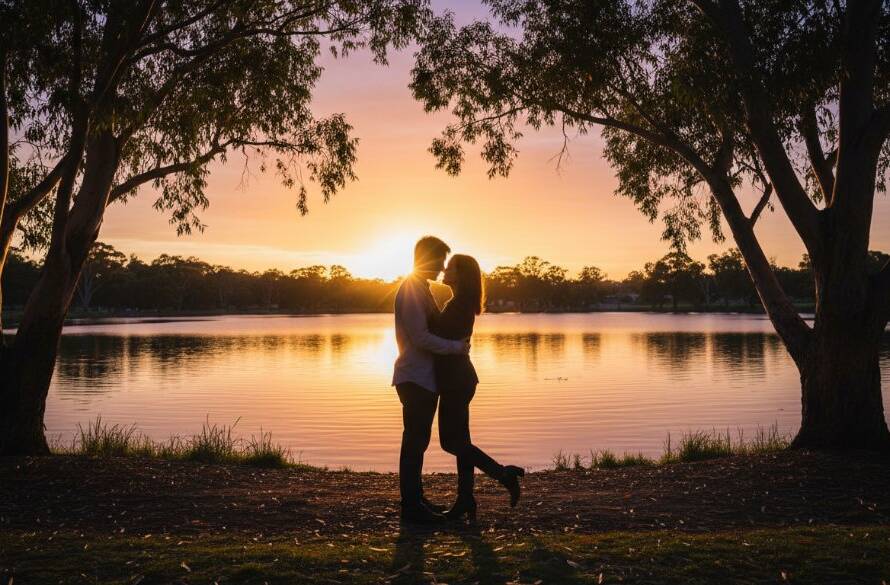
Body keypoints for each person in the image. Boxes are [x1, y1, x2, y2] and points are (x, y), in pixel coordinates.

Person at [434, 254, 525, 521]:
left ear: (460, 275)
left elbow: (439, 339)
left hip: (456, 381)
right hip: (459, 379)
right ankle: (465, 499)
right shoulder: (458, 303)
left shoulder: (459, 305)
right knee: (461, 443)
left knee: (450, 442)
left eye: (449, 267)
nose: (444, 270)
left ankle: (503, 475)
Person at [392, 236, 470, 523]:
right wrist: (456, 348)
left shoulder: (422, 290)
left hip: (425, 379)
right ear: (425, 258)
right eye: (438, 261)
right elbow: (420, 337)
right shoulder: (412, 289)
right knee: (414, 441)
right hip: (414, 377)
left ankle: (416, 500)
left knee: (418, 441)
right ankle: (411, 507)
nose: (441, 268)